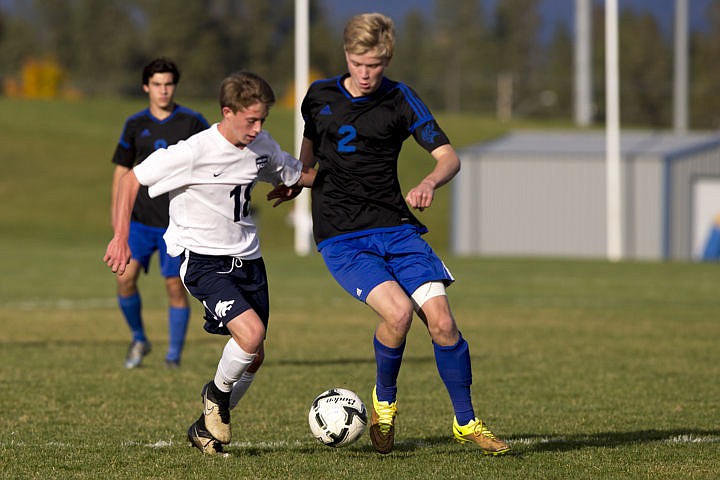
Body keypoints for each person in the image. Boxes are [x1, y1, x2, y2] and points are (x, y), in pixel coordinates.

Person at [268, 12, 510, 456]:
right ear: (346, 55)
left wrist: (429, 182)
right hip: (342, 235)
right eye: (358, 63)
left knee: (443, 324)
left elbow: (449, 157)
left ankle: (466, 421)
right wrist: (291, 183)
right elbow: (307, 166)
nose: (365, 74)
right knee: (397, 315)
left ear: (387, 59)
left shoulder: (401, 99)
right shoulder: (318, 97)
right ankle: (384, 407)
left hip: (396, 229)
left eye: (375, 65)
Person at [104, 71, 315, 455]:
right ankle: (214, 398)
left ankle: (205, 425)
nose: (257, 128)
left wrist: (337, 178)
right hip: (201, 259)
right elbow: (130, 181)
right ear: (227, 112)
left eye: (262, 120)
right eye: (250, 120)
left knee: (255, 353)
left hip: (248, 259)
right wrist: (120, 237)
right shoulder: (194, 151)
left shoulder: (261, 144)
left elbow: (295, 172)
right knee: (249, 336)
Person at [111, 57, 210, 369]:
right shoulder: (135, 124)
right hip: (139, 222)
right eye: (157, 84)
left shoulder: (193, 122)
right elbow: (121, 175)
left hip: (177, 224)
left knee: (173, 286)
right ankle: (139, 338)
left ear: (174, 87)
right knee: (125, 278)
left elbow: (212, 161)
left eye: (168, 84)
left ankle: (173, 357)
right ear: (146, 87)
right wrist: (118, 226)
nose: (163, 90)